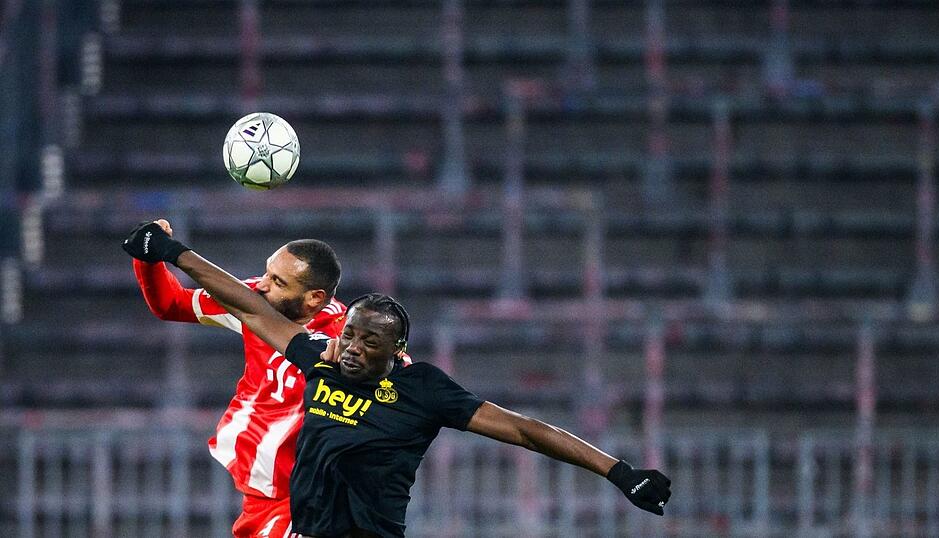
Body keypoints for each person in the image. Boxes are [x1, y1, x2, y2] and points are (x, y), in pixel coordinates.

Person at [123, 221, 672, 538]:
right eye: (350, 339)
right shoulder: (317, 355)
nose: (352, 350)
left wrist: (618, 471)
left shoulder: (414, 388)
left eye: (368, 343)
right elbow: (238, 304)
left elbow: (524, 429)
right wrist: (163, 253)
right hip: (269, 504)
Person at [129, 219, 398, 538]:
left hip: (308, 498)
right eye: (267, 272)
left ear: (314, 298)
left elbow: (396, 377)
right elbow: (171, 303)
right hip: (257, 498)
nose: (262, 285)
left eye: (278, 281)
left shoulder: (345, 339)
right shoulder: (253, 304)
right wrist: (147, 258)